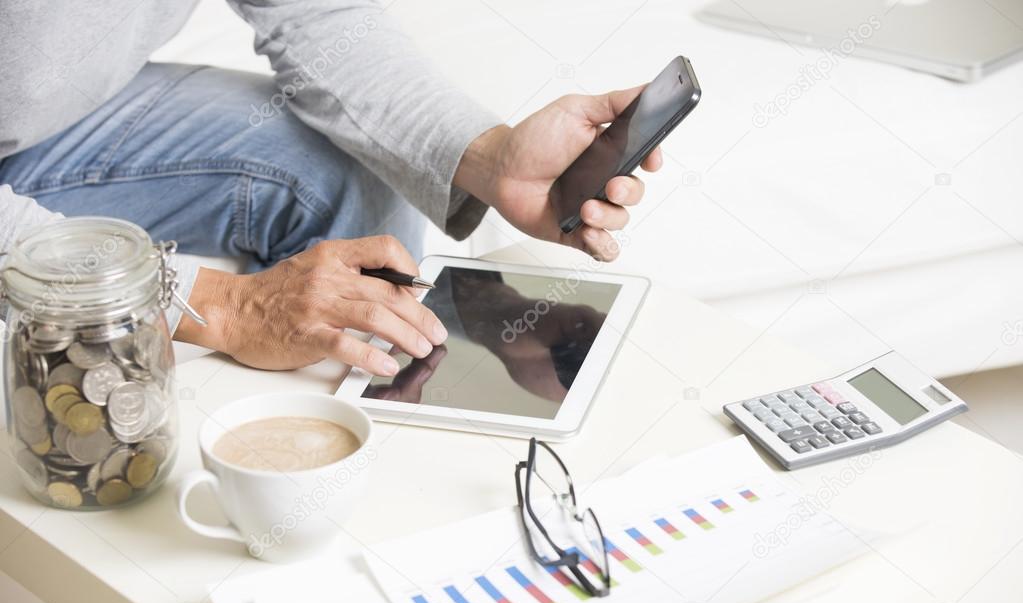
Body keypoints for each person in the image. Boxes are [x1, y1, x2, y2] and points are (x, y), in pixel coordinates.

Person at [0, 2, 662, 376]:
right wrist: (224, 306)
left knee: (355, 167)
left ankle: (401, 387)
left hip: (55, 120)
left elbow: (314, 13)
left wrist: (490, 158)